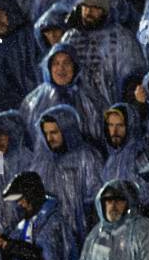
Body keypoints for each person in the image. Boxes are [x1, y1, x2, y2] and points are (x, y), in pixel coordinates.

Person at [30, 104, 104, 249]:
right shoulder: (40, 162)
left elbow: (96, 198)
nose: (50, 138)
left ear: (67, 130)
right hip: (48, 238)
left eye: (55, 132)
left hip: (80, 235)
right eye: (46, 133)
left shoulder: (87, 157)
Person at [59, 0, 144, 116]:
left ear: (105, 11)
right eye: (85, 7)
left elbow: (133, 78)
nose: (88, 12)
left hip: (112, 118)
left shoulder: (122, 39)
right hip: (78, 116)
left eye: (95, 8)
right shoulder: (69, 39)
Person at [19, 42, 102, 147]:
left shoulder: (90, 98)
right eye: (55, 63)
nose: (61, 68)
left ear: (75, 66)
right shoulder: (33, 101)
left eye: (66, 63)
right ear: (48, 67)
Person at [101, 103, 149, 213]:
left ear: (130, 125)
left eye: (120, 125)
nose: (114, 131)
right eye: (111, 125)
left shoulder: (140, 154)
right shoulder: (111, 158)